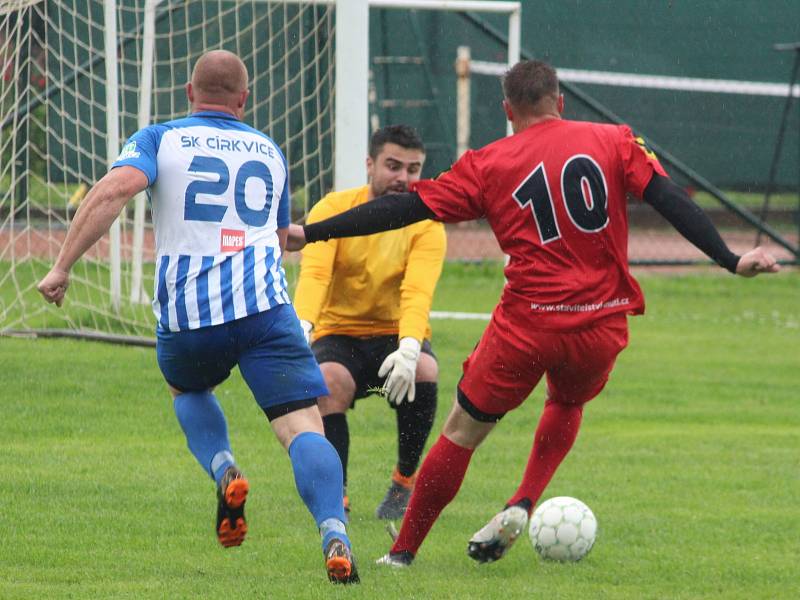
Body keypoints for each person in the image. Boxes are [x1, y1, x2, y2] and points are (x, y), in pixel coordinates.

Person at [285, 59, 780, 567]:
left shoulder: (490, 162)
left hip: (528, 325)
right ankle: (523, 499)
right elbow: (670, 198)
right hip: (602, 321)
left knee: (462, 432)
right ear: (560, 102)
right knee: (566, 403)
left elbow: (406, 208)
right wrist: (731, 259)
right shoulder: (615, 140)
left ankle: (403, 553)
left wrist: (313, 232)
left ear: (507, 110)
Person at [37, 50, 359, 584]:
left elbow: (113, 191)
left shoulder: (160, 138)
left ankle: (224, 467)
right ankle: (334, 532)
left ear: (189, 92)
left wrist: (62, 266)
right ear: (244, 99)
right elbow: (279, 243)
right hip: (266, 312)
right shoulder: (270, 151)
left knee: (186, 391)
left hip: (191, 316)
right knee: (303, 426)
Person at [294, 125, 445, 520]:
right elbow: (315, 276)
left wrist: (410, 347)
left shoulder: (427, 223)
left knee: (426, 370)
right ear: (369, 164)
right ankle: (335, 494)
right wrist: (302, 327)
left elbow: (417, 292)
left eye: (413, 169)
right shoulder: (333, 208)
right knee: (328, 382)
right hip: (338, 335)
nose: (403, 178)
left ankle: (403, 482)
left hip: (394, 335)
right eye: (393, 166)